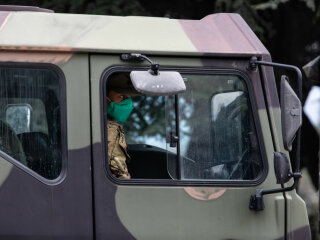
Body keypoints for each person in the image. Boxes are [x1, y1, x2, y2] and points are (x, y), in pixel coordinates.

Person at [107, 73, 137, 179]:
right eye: (121, 96)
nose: (127, 103)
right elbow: (121, 177)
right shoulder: (111, 130)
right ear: (104, 97)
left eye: (129, 98)